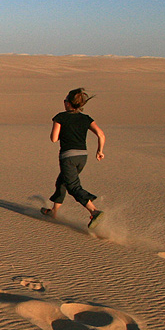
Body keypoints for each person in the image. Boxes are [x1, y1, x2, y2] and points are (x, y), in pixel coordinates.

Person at [42, 87, 106, 227]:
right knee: (62, 182)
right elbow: (101, 135)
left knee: (73, 186)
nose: (64, 102)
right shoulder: (86, 118)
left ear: (69, 103)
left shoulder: (61, 117)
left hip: (68, 157)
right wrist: (99, 151)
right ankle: (54, 212)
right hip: (82, 157)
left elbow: (54, 139)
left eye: (65, 100)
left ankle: (94, 211)